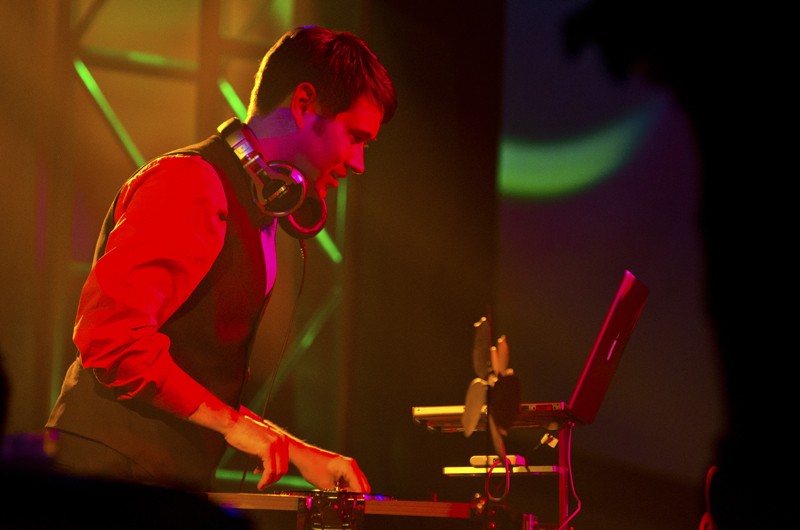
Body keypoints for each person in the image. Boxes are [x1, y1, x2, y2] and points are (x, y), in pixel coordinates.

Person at [44, 25, 397, 494]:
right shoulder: (190, 183)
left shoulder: (256, 206)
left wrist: (295, 450)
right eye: (356, 137)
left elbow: (193, 375)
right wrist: (236, 428)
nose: (359, 163)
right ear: (304, 104)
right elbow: (110, 339)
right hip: (101, 475)